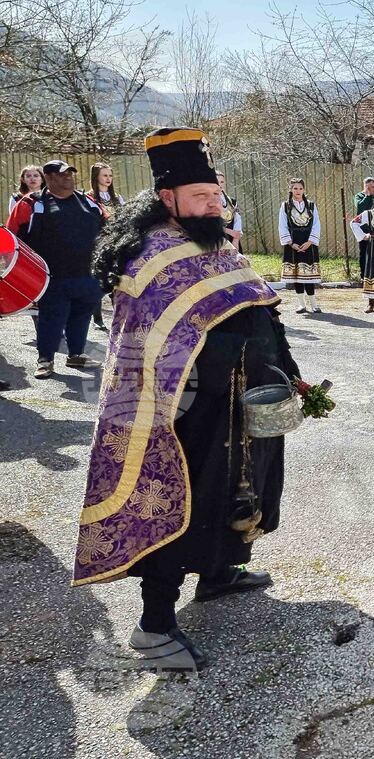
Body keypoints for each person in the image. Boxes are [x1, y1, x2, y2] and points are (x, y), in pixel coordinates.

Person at [76, 127, 298, 671]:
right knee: (185, 501)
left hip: (242, 407)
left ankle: (219, 573)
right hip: (184, 414)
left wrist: (287, 368)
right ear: (166, 199)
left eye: (217, 197)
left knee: (239, 488)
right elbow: (149, 347)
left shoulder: (216, 246)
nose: (212, 206)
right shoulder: (149, 259)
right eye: (201, 199)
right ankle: (154, 625)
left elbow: (261, 309)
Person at [7, 160, 104, 379]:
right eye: (62, 175)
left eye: (70, 173)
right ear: (48, 178)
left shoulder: (88, 202)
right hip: (51, 278)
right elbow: (12, 239)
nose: (68, 177)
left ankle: (76, 354)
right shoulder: (31, 204)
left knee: (81, 315)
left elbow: (108, 230)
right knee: (52, 318)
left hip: (86, 275)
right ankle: (45, 360)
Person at [86, 162, 125, 331]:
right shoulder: (88, 198)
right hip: (97, 243)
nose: (108, 179)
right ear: (96, 177)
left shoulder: (118, 198)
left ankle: (120, 317)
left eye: (110, 175)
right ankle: (98, 319)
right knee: (98, 281)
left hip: (115, 243)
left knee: (117, 281)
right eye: (104, 175)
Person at [278, 177, 322, 314]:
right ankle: (301, 304)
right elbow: (282, 225)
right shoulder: (285, 206)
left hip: (308, 242)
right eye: (295, 188)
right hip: (293, 242)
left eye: (300, 188)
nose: (298, 191)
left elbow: (316, 224)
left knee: (308, 274)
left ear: (304, 189)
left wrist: (310, 241)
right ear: (290, 190)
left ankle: (314, 304)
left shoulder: (311, 205)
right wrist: (291, 243)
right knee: (297, 274)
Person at [354, 176, 374, 275]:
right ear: (366, 187)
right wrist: (367, 197)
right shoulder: (359, 196)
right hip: (363, 230)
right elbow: (360, 208)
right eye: (372, 187)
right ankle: (364, 274)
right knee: (364, 252)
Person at [216, 171, 243, 252]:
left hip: (232, 238)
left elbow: (237, 220)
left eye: (222, 182)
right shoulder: (208, 202)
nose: (219, 184)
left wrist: (236, 239)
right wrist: (228, 231)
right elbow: (207, 224)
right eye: (216, 181)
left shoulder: (232, 201)